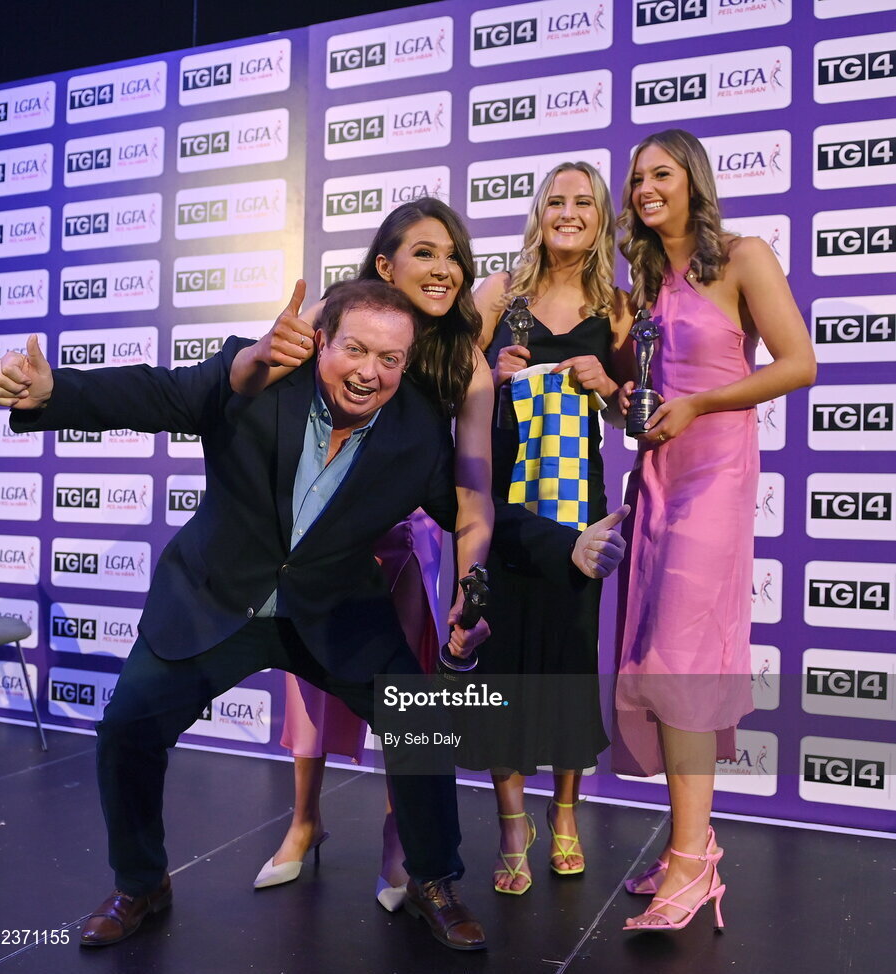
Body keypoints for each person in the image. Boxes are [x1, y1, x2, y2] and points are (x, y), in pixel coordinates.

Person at [0, 280, 494, 952]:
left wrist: (566, 548)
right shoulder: (255, 376)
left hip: (334, 609)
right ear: (323, 340)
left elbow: (463, 509)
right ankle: (141, 882)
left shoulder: (416, 429)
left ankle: (435, 880)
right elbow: (158, 393)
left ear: (406, 364)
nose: (369, 371)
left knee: (419, 720)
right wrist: (54, 394)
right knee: (127, 730)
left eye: (390, 359)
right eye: (355, 349)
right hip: (217, 599)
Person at [230, 198, 495, 910]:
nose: (443, 268)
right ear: (385, 264)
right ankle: (303, 823)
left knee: (400, 695)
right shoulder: (329, 315)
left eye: (452, 256)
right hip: (318, 536)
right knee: (308, 682)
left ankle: (396, 842)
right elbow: (251, 395)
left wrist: (474, 577)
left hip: (410, 541)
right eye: (425, 253)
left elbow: (474, 492)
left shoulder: (464, 360)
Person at [612, 129, 815, 932]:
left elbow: (798, 363)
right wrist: (611, 380)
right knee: (658, 663)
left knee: (683, 661)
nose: (643, 189)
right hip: (657, 480)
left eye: (658, 173)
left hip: (715, 479)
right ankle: (688, 845)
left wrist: (700, 404)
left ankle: (694, 866)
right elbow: (646, 388)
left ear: (691, 179)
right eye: (634, 180)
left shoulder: (743, 255)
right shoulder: (645, 281)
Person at [458, 162, 633, 895]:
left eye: (581, 202)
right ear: (538, 211)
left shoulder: (618, 306)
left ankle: (563, 816)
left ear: (600, 219)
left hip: (578, 511)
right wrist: (489, 374)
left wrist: (609, 387)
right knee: (500, 664)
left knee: (565, 661)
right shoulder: (502, 291)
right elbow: (450, 379)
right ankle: (510, 825)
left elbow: (637, 413)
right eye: (555, 200)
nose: (567, 212)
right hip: (504, 504)